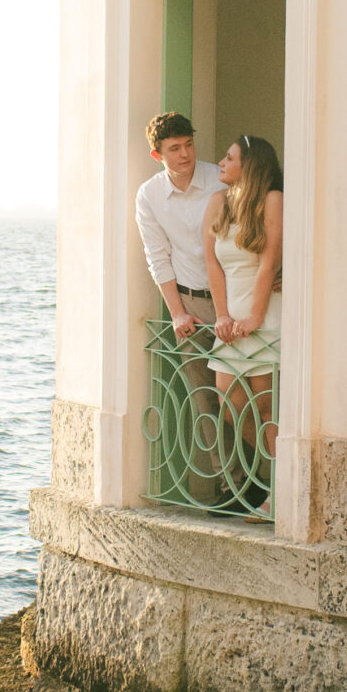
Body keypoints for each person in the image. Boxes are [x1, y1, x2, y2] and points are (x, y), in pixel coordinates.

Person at [134, 111, 222, 504]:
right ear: (158, 155)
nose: (185, 154)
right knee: (205, 398)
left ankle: (258, 483)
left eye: (188, 144)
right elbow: (157, 255)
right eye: (174, 149)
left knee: (242, 394)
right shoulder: (149, 195)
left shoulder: (220, 179)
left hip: (233, 300)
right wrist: (177, 312)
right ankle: (228, 484)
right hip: (189, 301)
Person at [203, 134, 283, 509]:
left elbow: (269, 262)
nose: (221, 162)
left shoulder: (272, 199)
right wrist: (222, 315)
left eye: (229, 157)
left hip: (264, 314)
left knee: (267, 407)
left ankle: (279, 491)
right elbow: (212, 264)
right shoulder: (218, 202)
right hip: (231, 320)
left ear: (249, 165)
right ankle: (271, 475)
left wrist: (255, 316)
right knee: (231, 402)